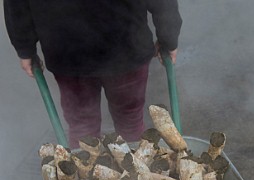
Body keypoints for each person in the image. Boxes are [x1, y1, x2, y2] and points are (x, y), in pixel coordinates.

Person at [4, 0, 182, 148]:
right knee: (129, 117)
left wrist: (24, 47)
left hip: (67, 50)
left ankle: (88, 179)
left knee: (83, 123)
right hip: (125, 43)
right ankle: (134, 172)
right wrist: (168, 37)